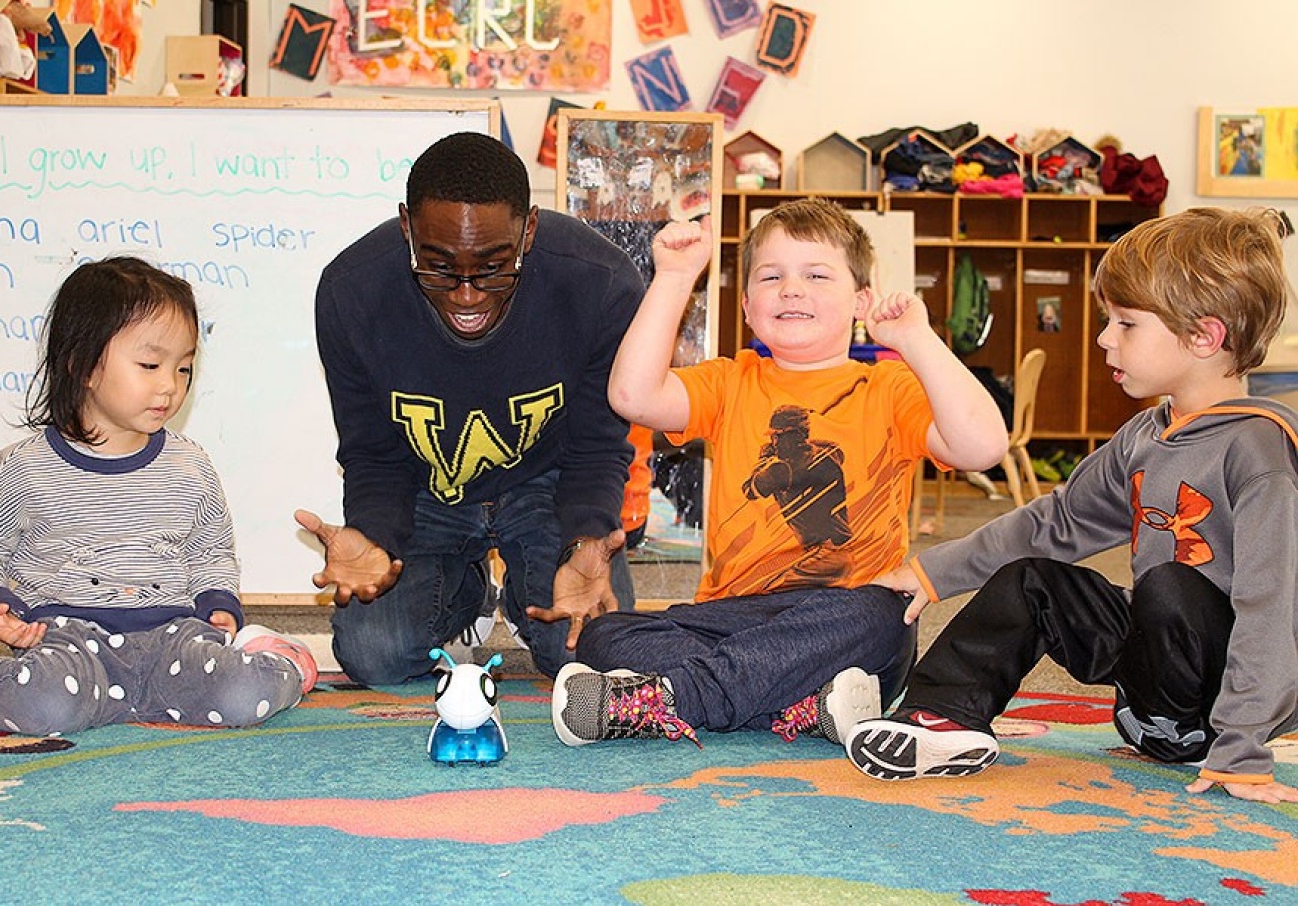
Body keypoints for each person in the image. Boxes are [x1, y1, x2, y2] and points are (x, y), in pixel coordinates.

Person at [845, 207, 1298, 805]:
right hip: (1153, 686)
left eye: (1126, 324)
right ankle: (940, 719)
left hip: (1222, 710)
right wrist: (935, 570)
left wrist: (1242, 745)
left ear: (1203, 336)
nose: (1105, 337)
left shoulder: (1260, 448)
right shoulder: (1145, 433)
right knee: (1033, 581)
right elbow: (1058, 522)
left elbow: (1273, 607)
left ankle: (1213, 732)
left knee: (1171, 586)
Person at [550, 198, 1008, 747]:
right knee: (606, 633)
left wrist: (916, 339)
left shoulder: (889, 388)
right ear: (746, 306)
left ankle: (673, 698)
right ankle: (801, 707)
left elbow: (982, 447)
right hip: (735, 615)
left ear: (861, 300)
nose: (792, 288)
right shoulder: (732, 380)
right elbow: (632, 395)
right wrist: (673, 279)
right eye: (772, 276)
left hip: (845, 620)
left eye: (816, 274)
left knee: (884, 616)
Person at [295, 132, 644, 684]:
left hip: (547, 485)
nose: (466, 294)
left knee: (595, 655)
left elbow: (598, 446)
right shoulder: (350, 292)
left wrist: (585, 537)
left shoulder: (600, 284)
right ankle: (470, 593)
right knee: (374, 656)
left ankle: (527, 586)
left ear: (528, 230)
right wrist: (373, 532)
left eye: (493, 267)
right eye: (437, 267)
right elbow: (373, 454)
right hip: (426, 487)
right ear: (407, 227)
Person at [0, 257, 317, 737]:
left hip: (174, 639)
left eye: (184, 368)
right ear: (84, 366)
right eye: (149, 365)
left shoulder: (190, 466)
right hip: (68, 641)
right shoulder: (27, 467)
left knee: (243, 695)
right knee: (47, 706)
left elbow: (210, 551)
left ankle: (271, 655)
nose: (170, 386)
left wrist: (218, 600)